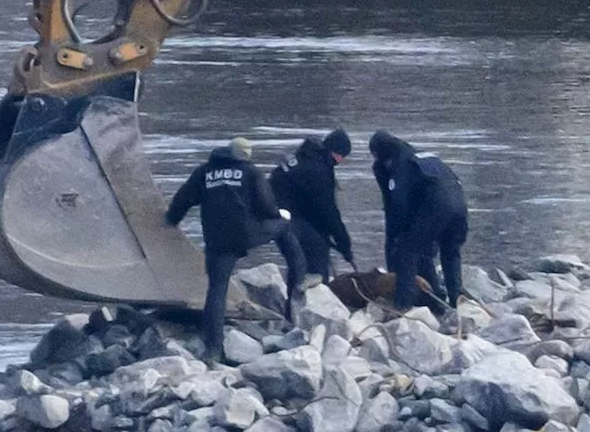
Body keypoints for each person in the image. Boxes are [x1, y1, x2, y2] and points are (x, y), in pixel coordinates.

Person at [165, 136, 305, 362]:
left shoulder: (205, 171)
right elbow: (267, 206)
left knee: (217, 291)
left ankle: (213, 350)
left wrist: (171, 220)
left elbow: (182, 199)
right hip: (247, 234)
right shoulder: (251, 172)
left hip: (217, 239)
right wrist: (279, 215)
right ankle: (296, 299)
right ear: (246, 155)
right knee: (285, 229)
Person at [368, 130, 469, 309]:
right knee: (450, 252)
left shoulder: (400, 164)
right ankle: (456, 301)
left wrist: (395, 237)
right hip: (460, 204)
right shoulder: (422, 156)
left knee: (407, 251)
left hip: (437, 205)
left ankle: (403, 306)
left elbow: (398, 206)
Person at [269, 129, 355, 282]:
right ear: (335, 152)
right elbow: (328, 210)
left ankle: (293, 300)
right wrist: (344, 244)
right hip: (292, 220)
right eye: (342, 156)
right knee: (317, 258)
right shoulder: (319, 170)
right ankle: (317, 300)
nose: (340, 161)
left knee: (297, 264)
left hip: (277, 218)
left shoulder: (301, 158)